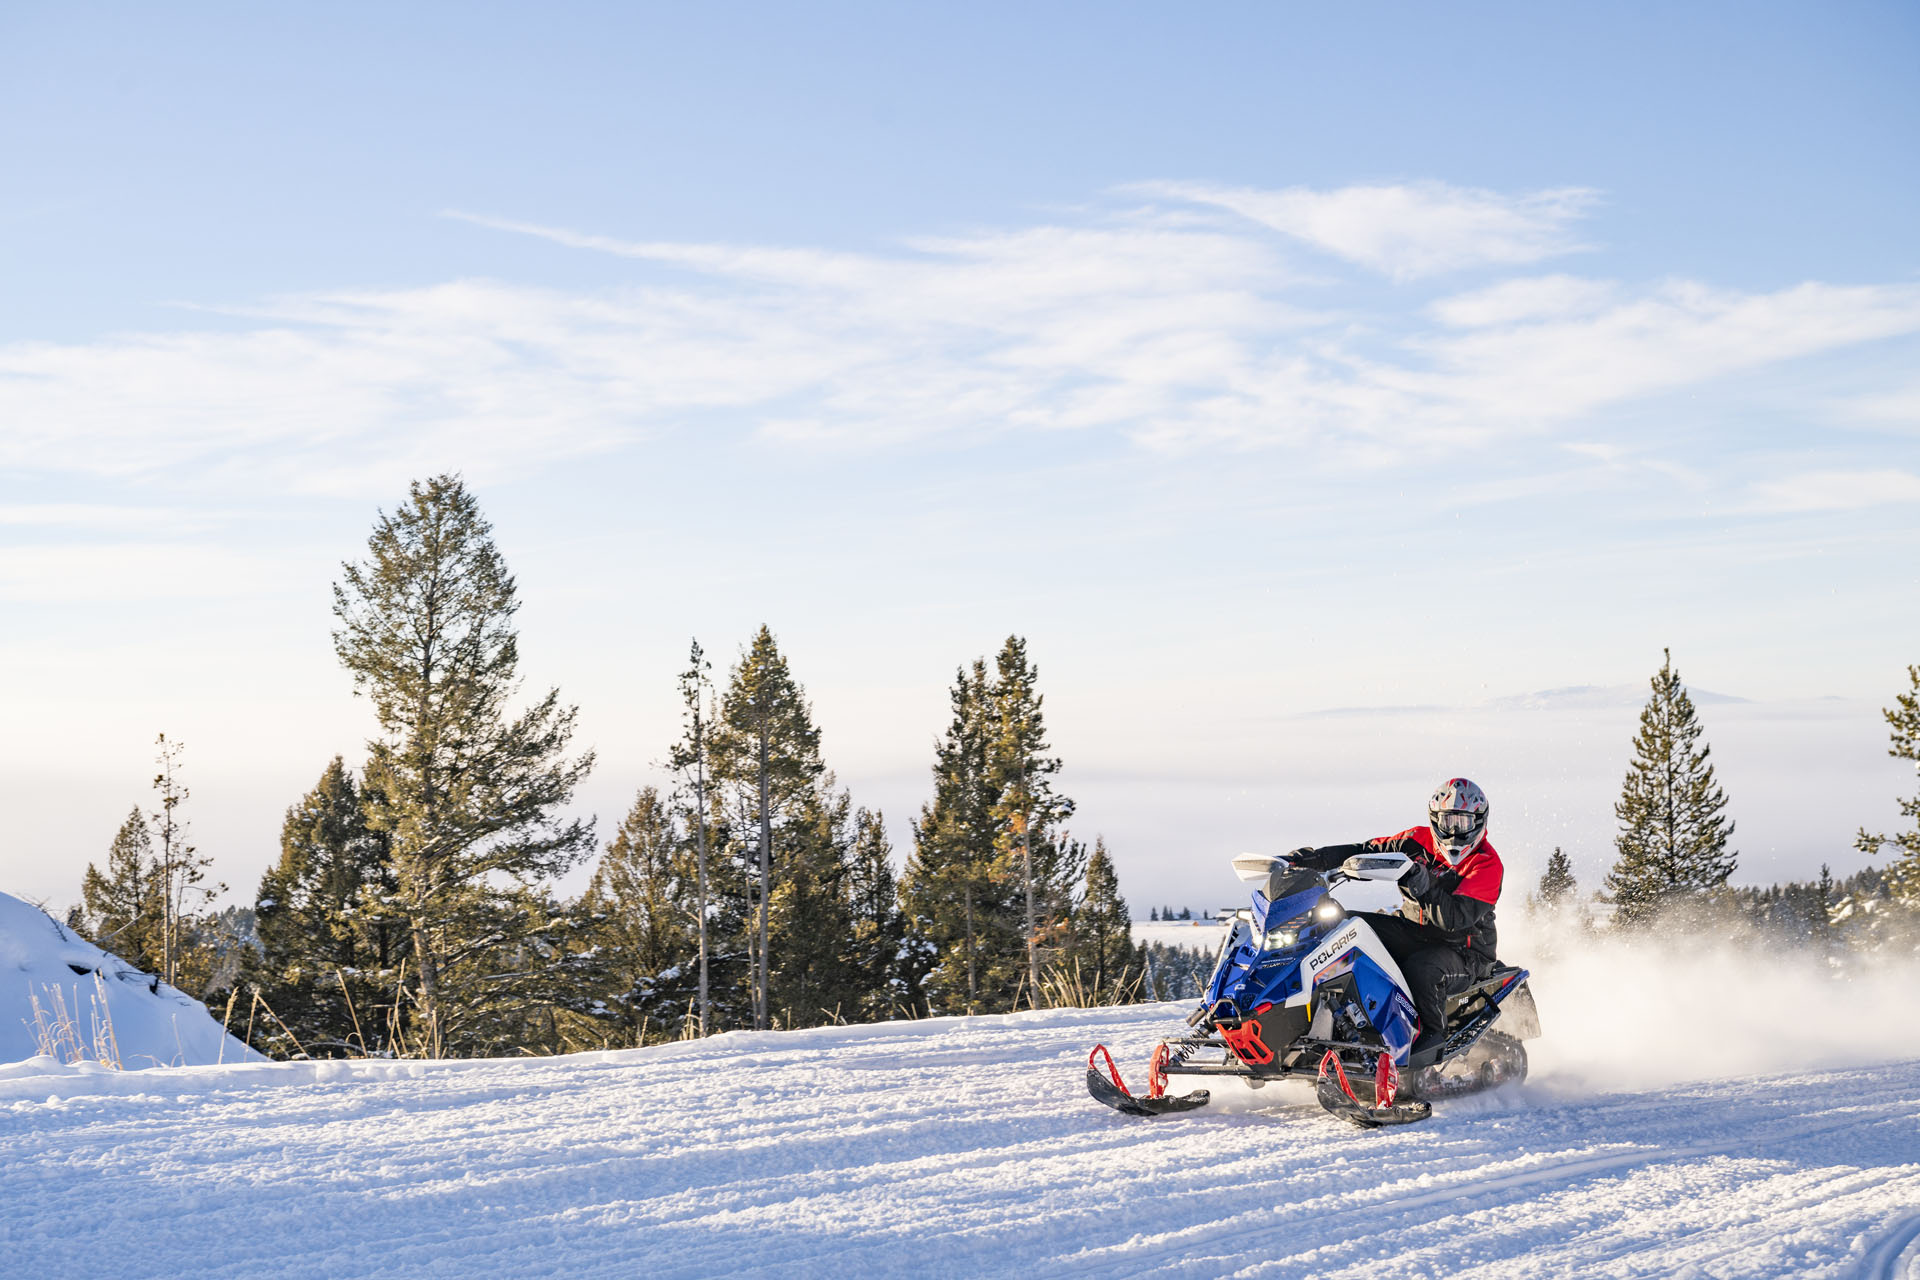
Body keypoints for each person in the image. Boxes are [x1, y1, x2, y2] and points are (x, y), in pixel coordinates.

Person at [1286, 777, 1504, 1064]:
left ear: (1478, 822)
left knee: (1423, 969)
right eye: (1448, 821)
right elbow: (1367, 849)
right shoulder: (1416, 840)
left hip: (1464, 951)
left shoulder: (1486, 864)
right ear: (1435, 819)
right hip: (1414, 930)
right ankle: (1326, 1020)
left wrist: (1422, 884)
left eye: (1462, 823)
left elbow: (1453, 919)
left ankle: (1430, 1040)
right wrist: (1318, 859)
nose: (1453, 832)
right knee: (1345, 928)